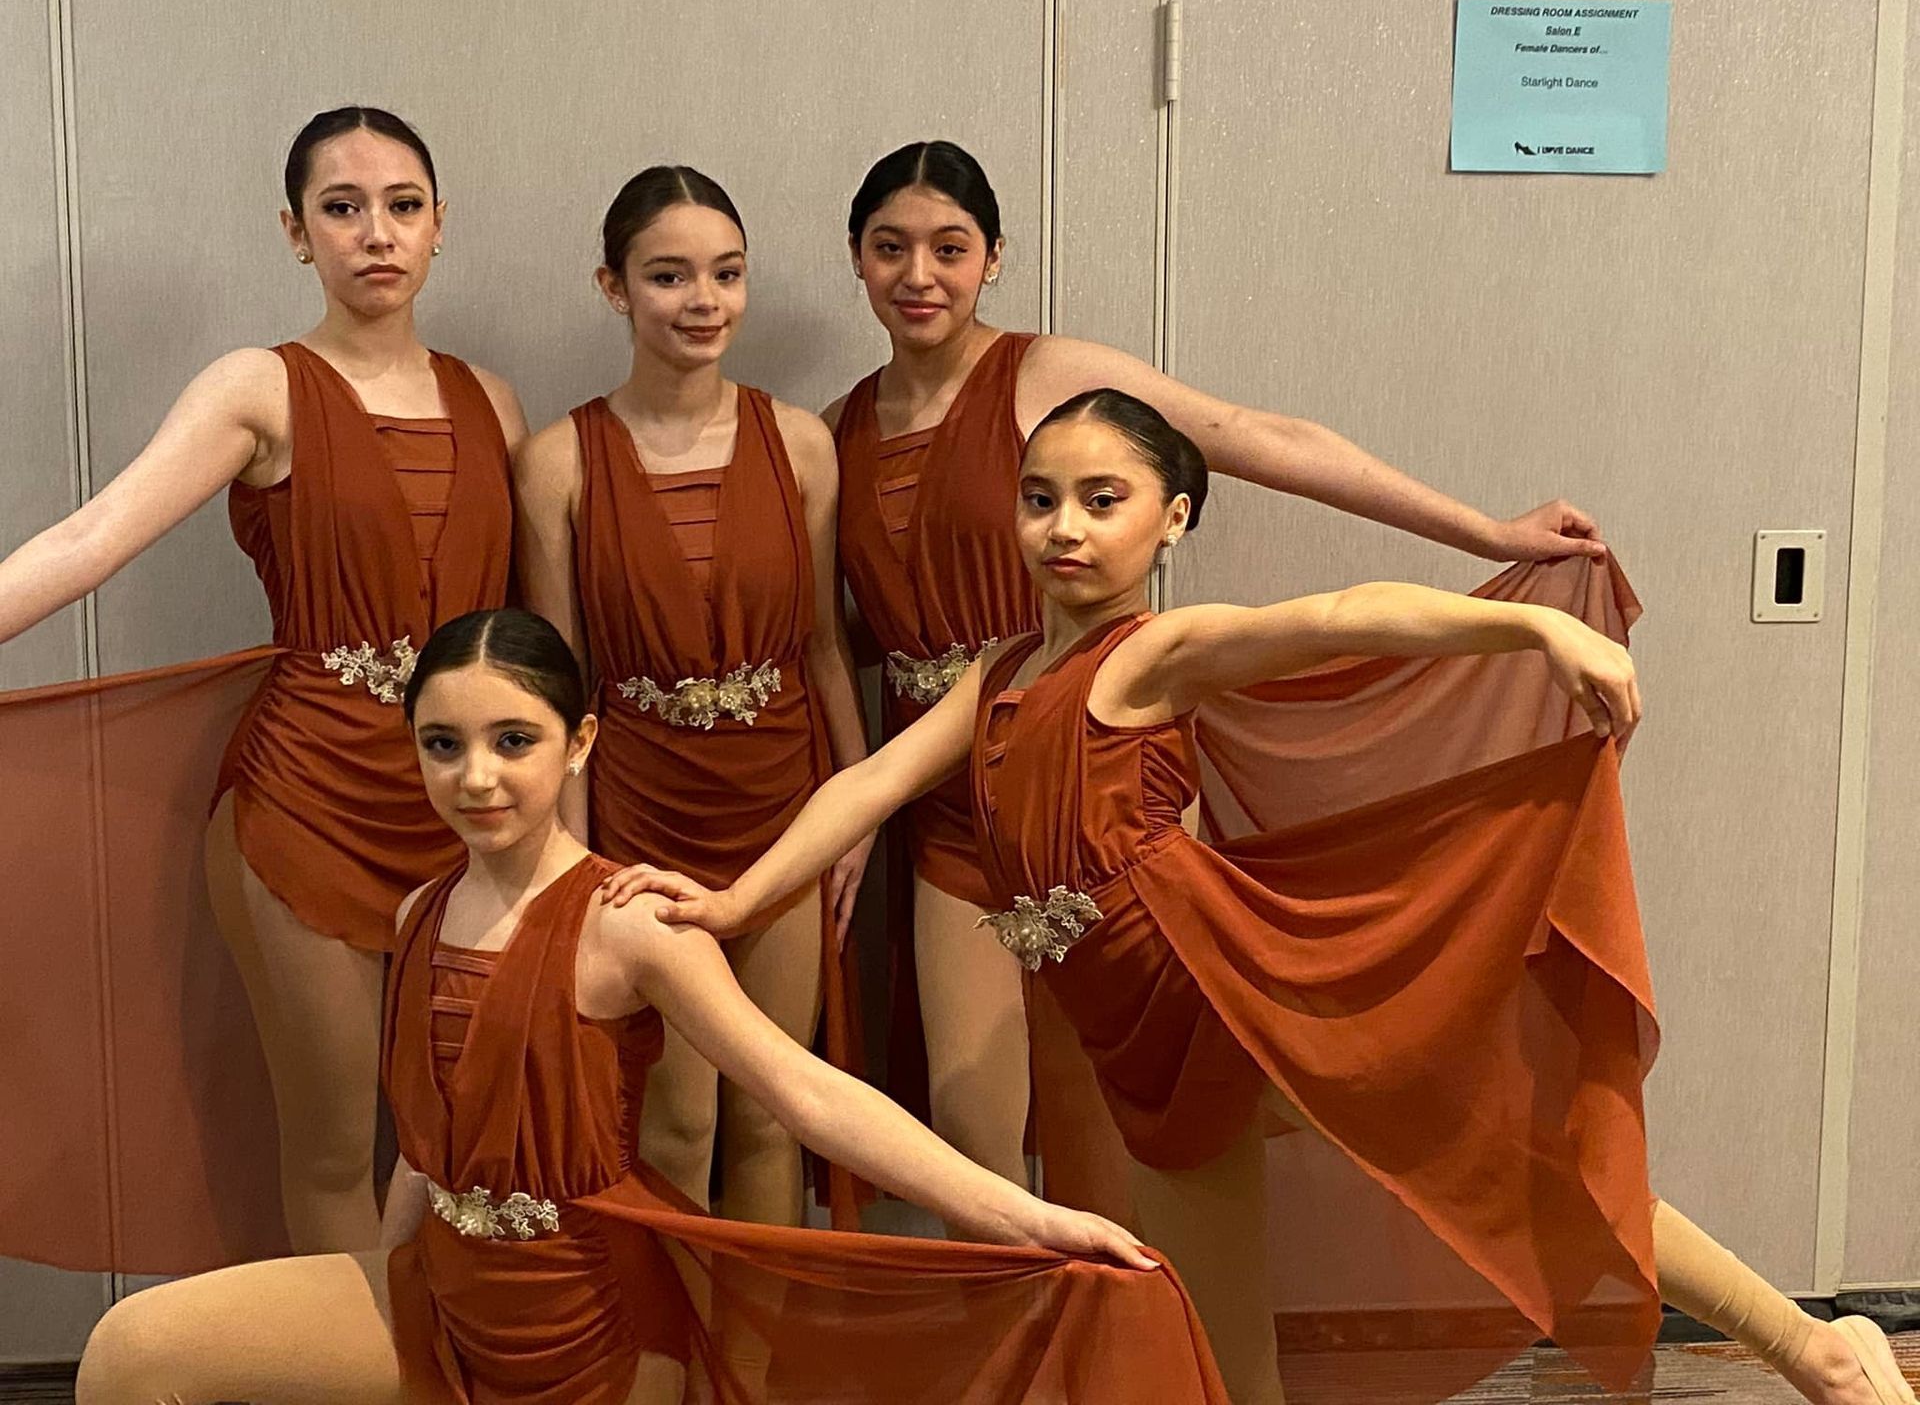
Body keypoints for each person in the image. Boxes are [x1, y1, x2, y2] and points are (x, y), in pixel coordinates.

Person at [614, 390, 1916, 1405]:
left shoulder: (1159, 652)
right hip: (1144, 1046)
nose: (1066, 527)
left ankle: (1814, 1349)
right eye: (1041, 499)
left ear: (1171, 520)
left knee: (1513, 1167)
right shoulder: (1002, 673)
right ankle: (1817, 1351)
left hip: (1229, 985)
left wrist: (1533, 630)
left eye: (1103, 499)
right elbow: (869, 785)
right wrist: (736, 904)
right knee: (1225, 1354)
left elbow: (1347, 613)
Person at [74, 607, 1227, 1405]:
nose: (476, 778)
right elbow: (427, 1149)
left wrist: (1028, 1218)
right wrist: (394, 1282)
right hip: (444, 1297)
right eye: (443, 745)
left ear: (578, 745)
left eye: (512, 741)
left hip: (592, 1325)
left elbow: (804, 1090)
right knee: (133, 1351)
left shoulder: (624, 923)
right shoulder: (424, 904)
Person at [827, 138, 1610, 1199]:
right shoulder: (838, 428)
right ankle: (1044, 1352)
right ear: (858, 259)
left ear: (993, 258)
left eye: (949, 248)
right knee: (977, 1139)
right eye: (891, 249)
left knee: (1140, 1126)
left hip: (1092, 770)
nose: (919, 276)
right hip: (955, 796)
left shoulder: (1048, 377)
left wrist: (1482, 533)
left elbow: (1256, 437)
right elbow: (822, 638)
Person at [0, 105, 525, 1260]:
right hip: (309, 803)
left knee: (465, 1140)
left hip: (474, 812)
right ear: (297, 234)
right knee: (336, 1148)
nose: (374, 234)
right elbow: (90, 541)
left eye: (401, 206)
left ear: (441, 226)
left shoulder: (493, 401)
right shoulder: (260, 388)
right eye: (342, 209)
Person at [515, 166, 869, 1230]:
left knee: (772, 1114)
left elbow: (821, 646)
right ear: (613, 287)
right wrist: (564, 864)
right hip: (636, 809)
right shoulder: (555, 460)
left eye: (726, 273)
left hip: (784, 803)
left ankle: (755, 1374)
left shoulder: (802, 443)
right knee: (676, 1124)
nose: (703, 301)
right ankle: (670, 1367)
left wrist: (854, 812)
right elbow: (562, 687)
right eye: (669, 276)